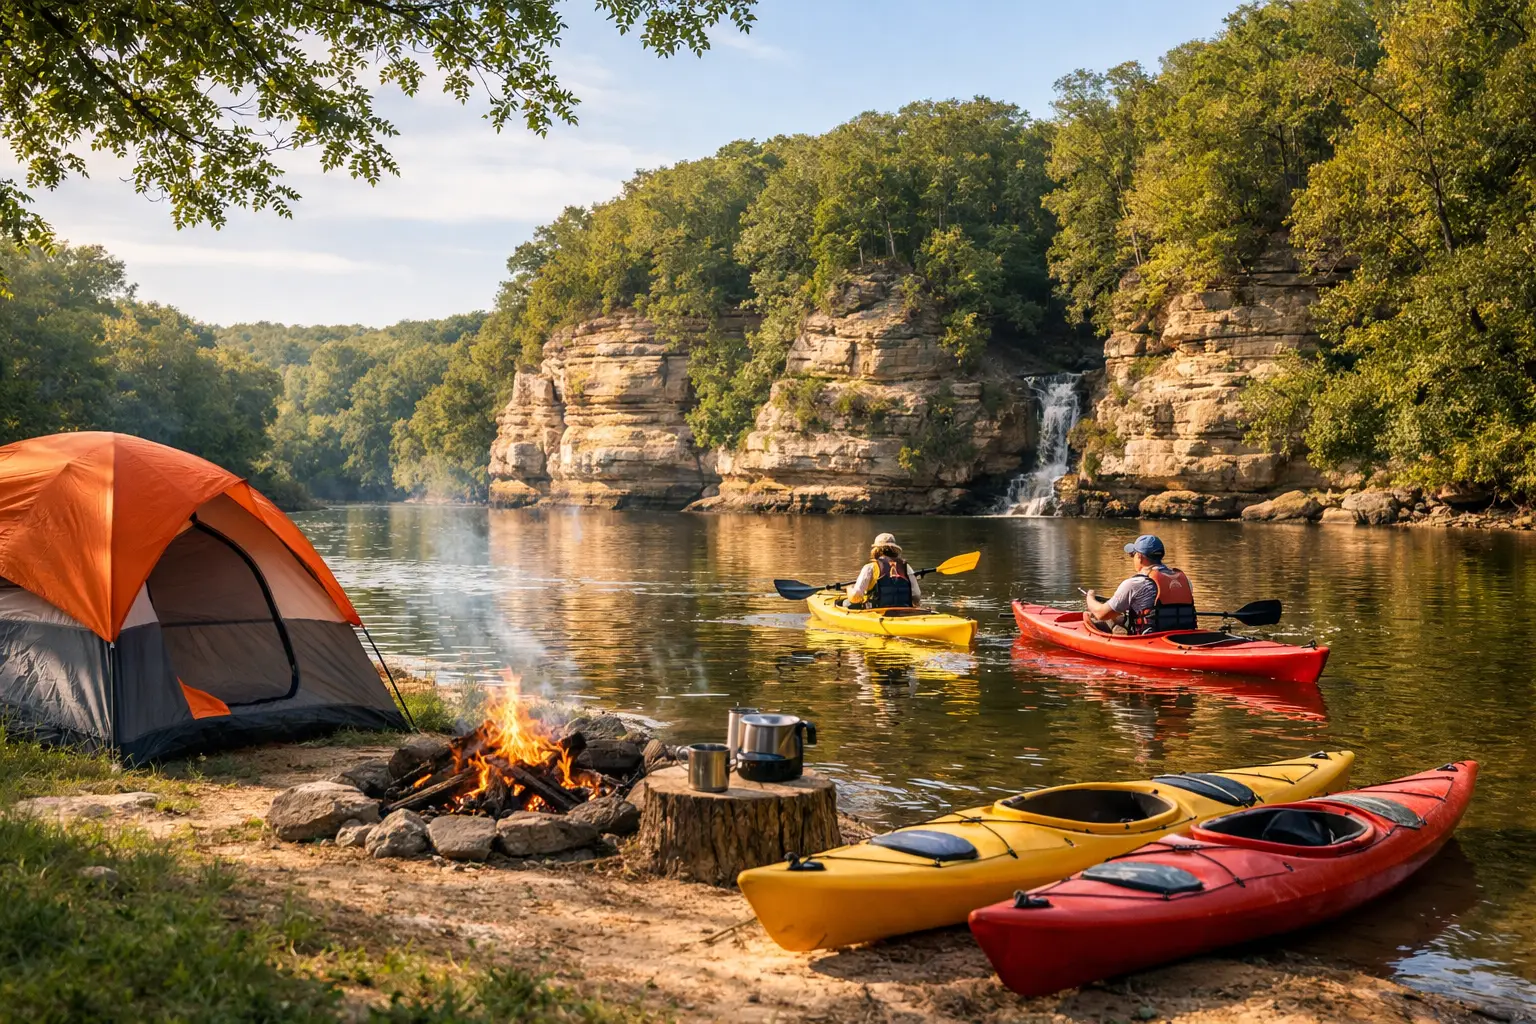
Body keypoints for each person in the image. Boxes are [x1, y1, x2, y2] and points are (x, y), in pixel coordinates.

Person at [1083, 534, 1197, 633]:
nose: (1133, 558)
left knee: (1095, 618)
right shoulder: (1185, 581)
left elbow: (1101, 614)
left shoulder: (1135, 583)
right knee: (1118, 619)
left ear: (1140, 557)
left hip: (1152, 640)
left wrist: (1090, 597)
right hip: (1184, 635)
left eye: (1132, 555)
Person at [846, 533, 922, 608]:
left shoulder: (870, 567)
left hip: (878, 612)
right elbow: (917, 596)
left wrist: (849, 589)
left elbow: (856, 596)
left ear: (875, 550)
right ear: (895, 549)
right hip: (904, 611)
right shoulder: (906, 567)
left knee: (846, 603)